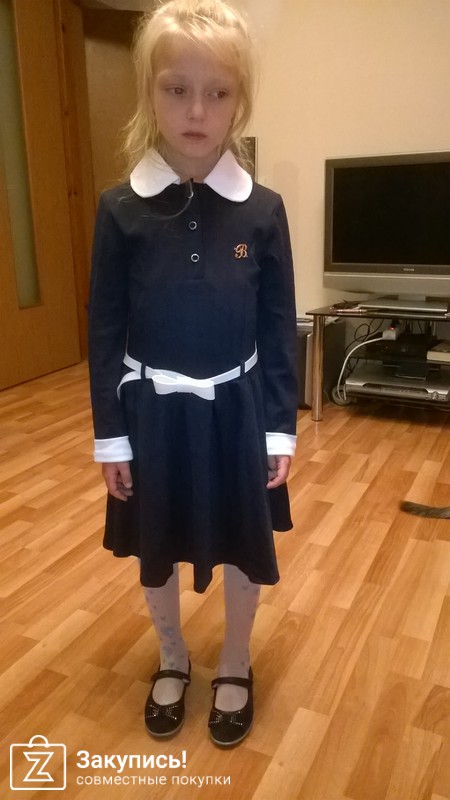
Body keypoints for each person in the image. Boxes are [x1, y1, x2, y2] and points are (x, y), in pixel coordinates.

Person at [88, 0, 298, 747]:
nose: (197, 111)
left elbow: (277, 329)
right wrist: (112, 438)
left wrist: (279, 428)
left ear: (241, 100)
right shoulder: (120, 210)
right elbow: (104, 329)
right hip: (151, 417)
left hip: (238, 414)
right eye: (177, 89)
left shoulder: (263, 212)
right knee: (155, 540)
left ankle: (236, 661)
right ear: (150, 93)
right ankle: (172, 655)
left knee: (243, 539)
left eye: (218, 92)